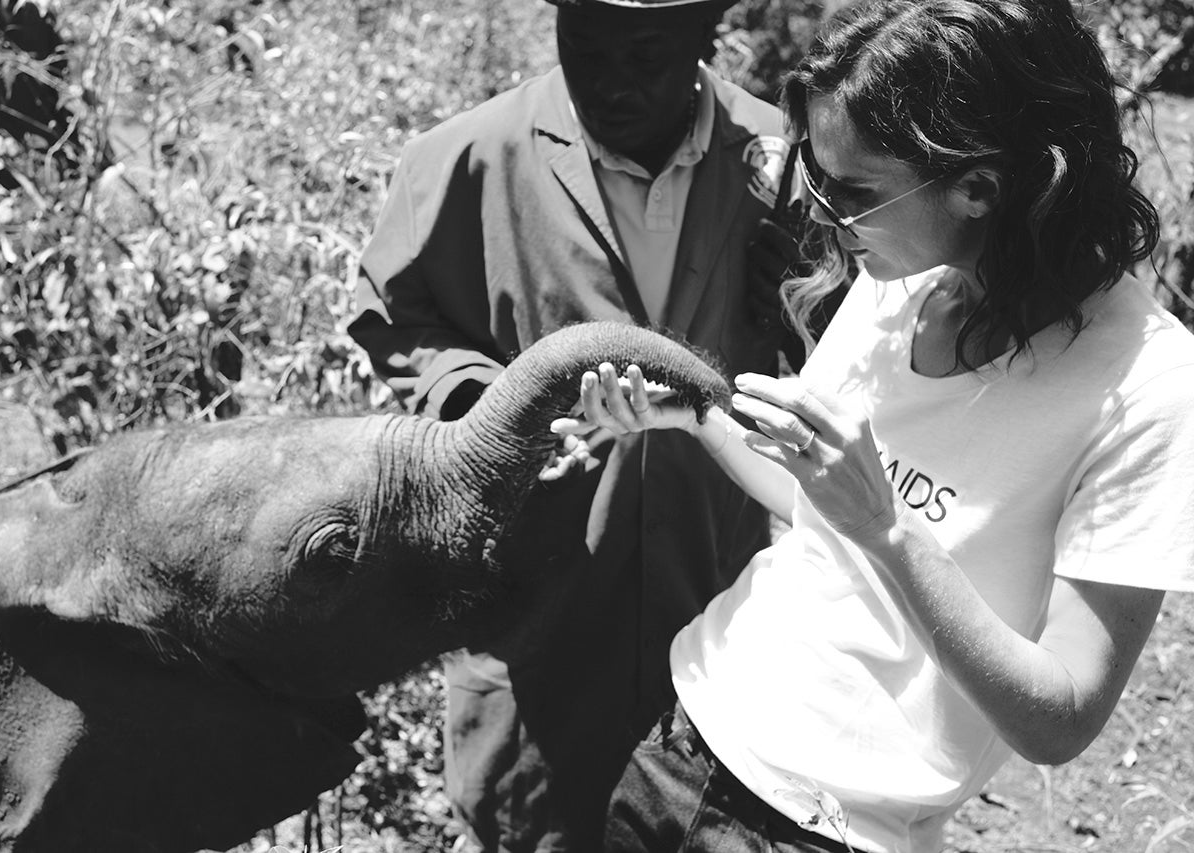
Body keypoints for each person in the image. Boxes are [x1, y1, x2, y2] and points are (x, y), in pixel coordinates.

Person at [555, 1, 1194, 851]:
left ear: (979, 189)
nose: (820, 212)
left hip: (825, 828)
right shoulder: (908, 271)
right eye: (816, 176)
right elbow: (820, 507)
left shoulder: (1150, 387)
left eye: (852, 192)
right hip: (688, 735)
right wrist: (695, 413)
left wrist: (890, 530)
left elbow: (1062, 716)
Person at [347, 0, 811, 849]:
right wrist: (489, 406)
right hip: (535, 616)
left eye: (647, 53)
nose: (612, 82)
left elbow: (852, 347)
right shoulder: (470, 157)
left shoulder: (779, 161)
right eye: (587, 46)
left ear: (707, 34)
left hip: (715, 606)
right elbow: (395, 313)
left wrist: (812, 300)